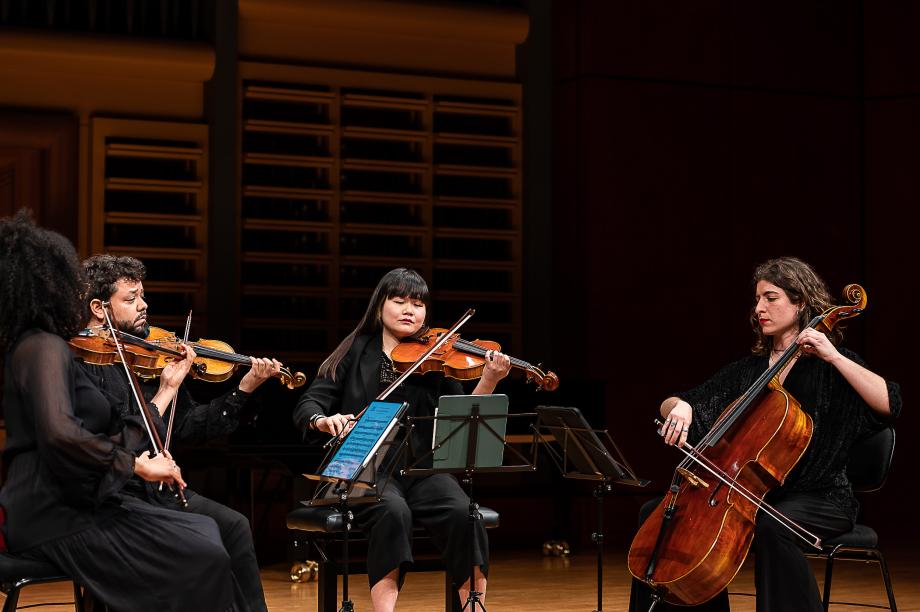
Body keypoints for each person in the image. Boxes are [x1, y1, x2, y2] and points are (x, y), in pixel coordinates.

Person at [0, 210, 247, 611]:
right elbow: (61, 435)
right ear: (47, 288)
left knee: (204, 532)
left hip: (82, 499)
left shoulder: (51, 345)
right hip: (54, 512)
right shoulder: (41, 346)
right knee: (201, 551)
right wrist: (135, 467)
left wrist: (165, 392)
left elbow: (107, 436)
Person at [629, 256, 901, 612]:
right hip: (758, 495)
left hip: (821, 497)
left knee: (772, 526)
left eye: (770, 298)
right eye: (757, 299)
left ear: (800, 301)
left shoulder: (831, 368)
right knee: (662, 514)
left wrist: (833, 356)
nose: (759, 308)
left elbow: (889, 403)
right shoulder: (749, 372)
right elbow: (684, 400)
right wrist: (679, 406)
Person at [293, 268, 512, 612]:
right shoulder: (355, 350)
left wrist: (490, 379)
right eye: (400, 301)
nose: (411, 310)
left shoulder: (437, 355)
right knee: (392, 512)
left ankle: (474, 607)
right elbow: (310, 403)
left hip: (422, 468)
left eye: (418, 303)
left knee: (464, 513)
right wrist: (324, 419)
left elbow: (462, 411)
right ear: (380, 306)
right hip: (369, 467)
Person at [78, 254, 282, 612]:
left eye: (142, 295)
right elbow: (118, 444)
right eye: (130, 299)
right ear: (99, 308)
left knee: (234, 526)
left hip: (155, 490)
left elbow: (190, 426)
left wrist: (244, 388)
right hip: (114, 496)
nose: (144, 306)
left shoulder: (147, 356)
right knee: (204, 543)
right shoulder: (88, 365)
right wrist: (165, 391)